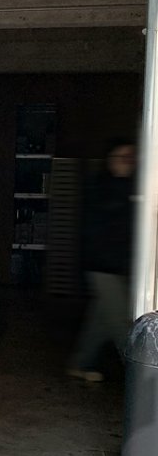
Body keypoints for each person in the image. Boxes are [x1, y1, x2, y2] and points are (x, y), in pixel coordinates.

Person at [67, 139, 137, 383]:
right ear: (111, 160)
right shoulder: (103, 187)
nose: (128, 162)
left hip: (114, 264)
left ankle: (80, 363)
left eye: (131, 158)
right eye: (123, 157)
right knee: (120, 321)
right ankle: (143, 377)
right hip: (102, 264)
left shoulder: (129, 187)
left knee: (102, 319)